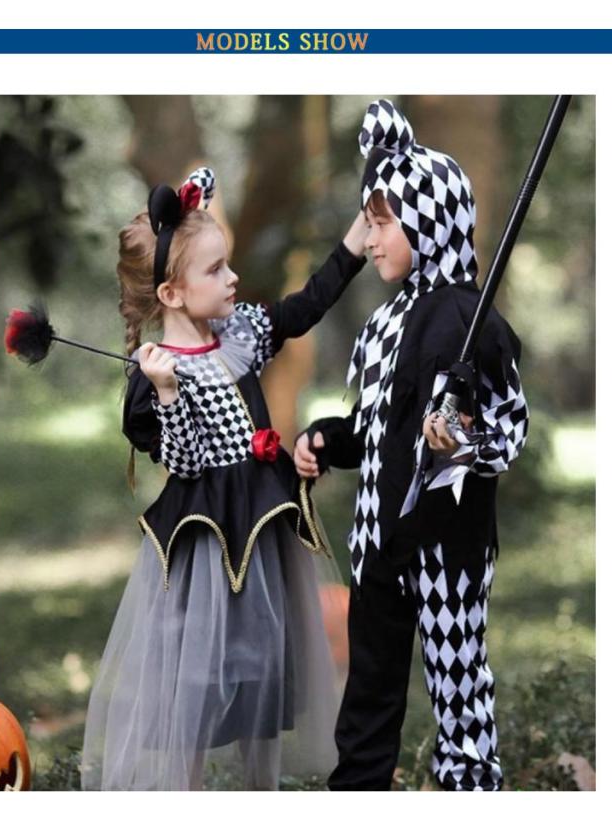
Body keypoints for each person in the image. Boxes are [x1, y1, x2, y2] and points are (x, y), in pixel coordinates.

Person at [80, 166, 368, 791]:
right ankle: (185, 794)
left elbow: (305, 306)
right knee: (196, 679)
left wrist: (355, 239)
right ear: (171, 293)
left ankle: (260, 791)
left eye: (227, 264)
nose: (232, 278)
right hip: (205, 550)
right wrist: (166, 392)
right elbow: (184, 463)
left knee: (262, 670)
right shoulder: (158, 374)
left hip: (263, 530)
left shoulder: (238, 335)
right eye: (215, 270)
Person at [294, 99, 529, 791]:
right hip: (378, 542)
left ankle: (469, 786)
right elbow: (375, 430)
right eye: (367, 224)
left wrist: (462, 440)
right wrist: (325, 438)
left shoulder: (470, 321)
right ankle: (359, 790)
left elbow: (508, 431)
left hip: (445, 546)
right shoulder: (383, 325)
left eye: (382, 223)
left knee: (458, 688)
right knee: (368, 690)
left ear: (429, 219)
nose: (369, 240)